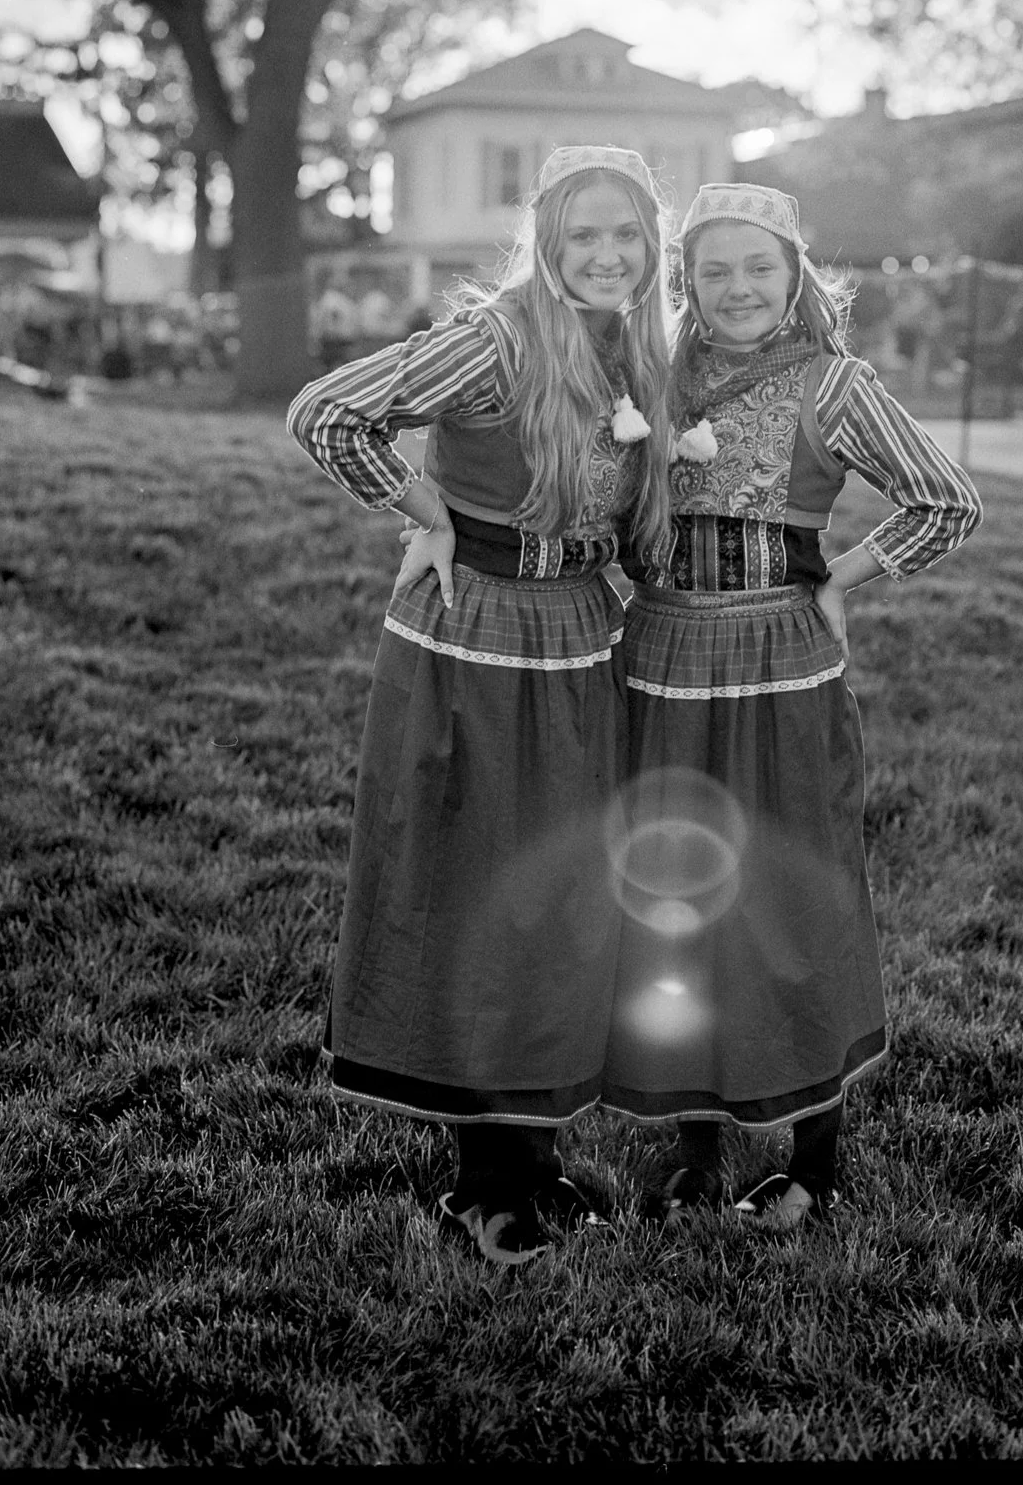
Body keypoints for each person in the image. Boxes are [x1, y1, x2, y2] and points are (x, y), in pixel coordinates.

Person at [287, 144, 673, 1266]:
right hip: (483, 631)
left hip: (581, 628)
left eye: (628, 234)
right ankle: (482, 1183)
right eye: (583, 234)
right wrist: (426, 508)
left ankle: (538, 1164)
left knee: (562, 891)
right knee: (483, 889)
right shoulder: (496, 340)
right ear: (546, 242)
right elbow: (329, 408)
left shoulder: (642, 349)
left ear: (653, 245)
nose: (607, 255)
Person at [602, 183, 982, 1233]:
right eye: (713, 269)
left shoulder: (833, 382)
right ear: (683, 280)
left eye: (758, 266)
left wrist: (839, 580)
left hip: (780, 659)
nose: (737, 288)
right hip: (662, 650)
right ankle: (695, 1146)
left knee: (790, 893)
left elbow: (946, 499)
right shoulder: (650, 376)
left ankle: (814, 1157)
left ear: (793, 274)